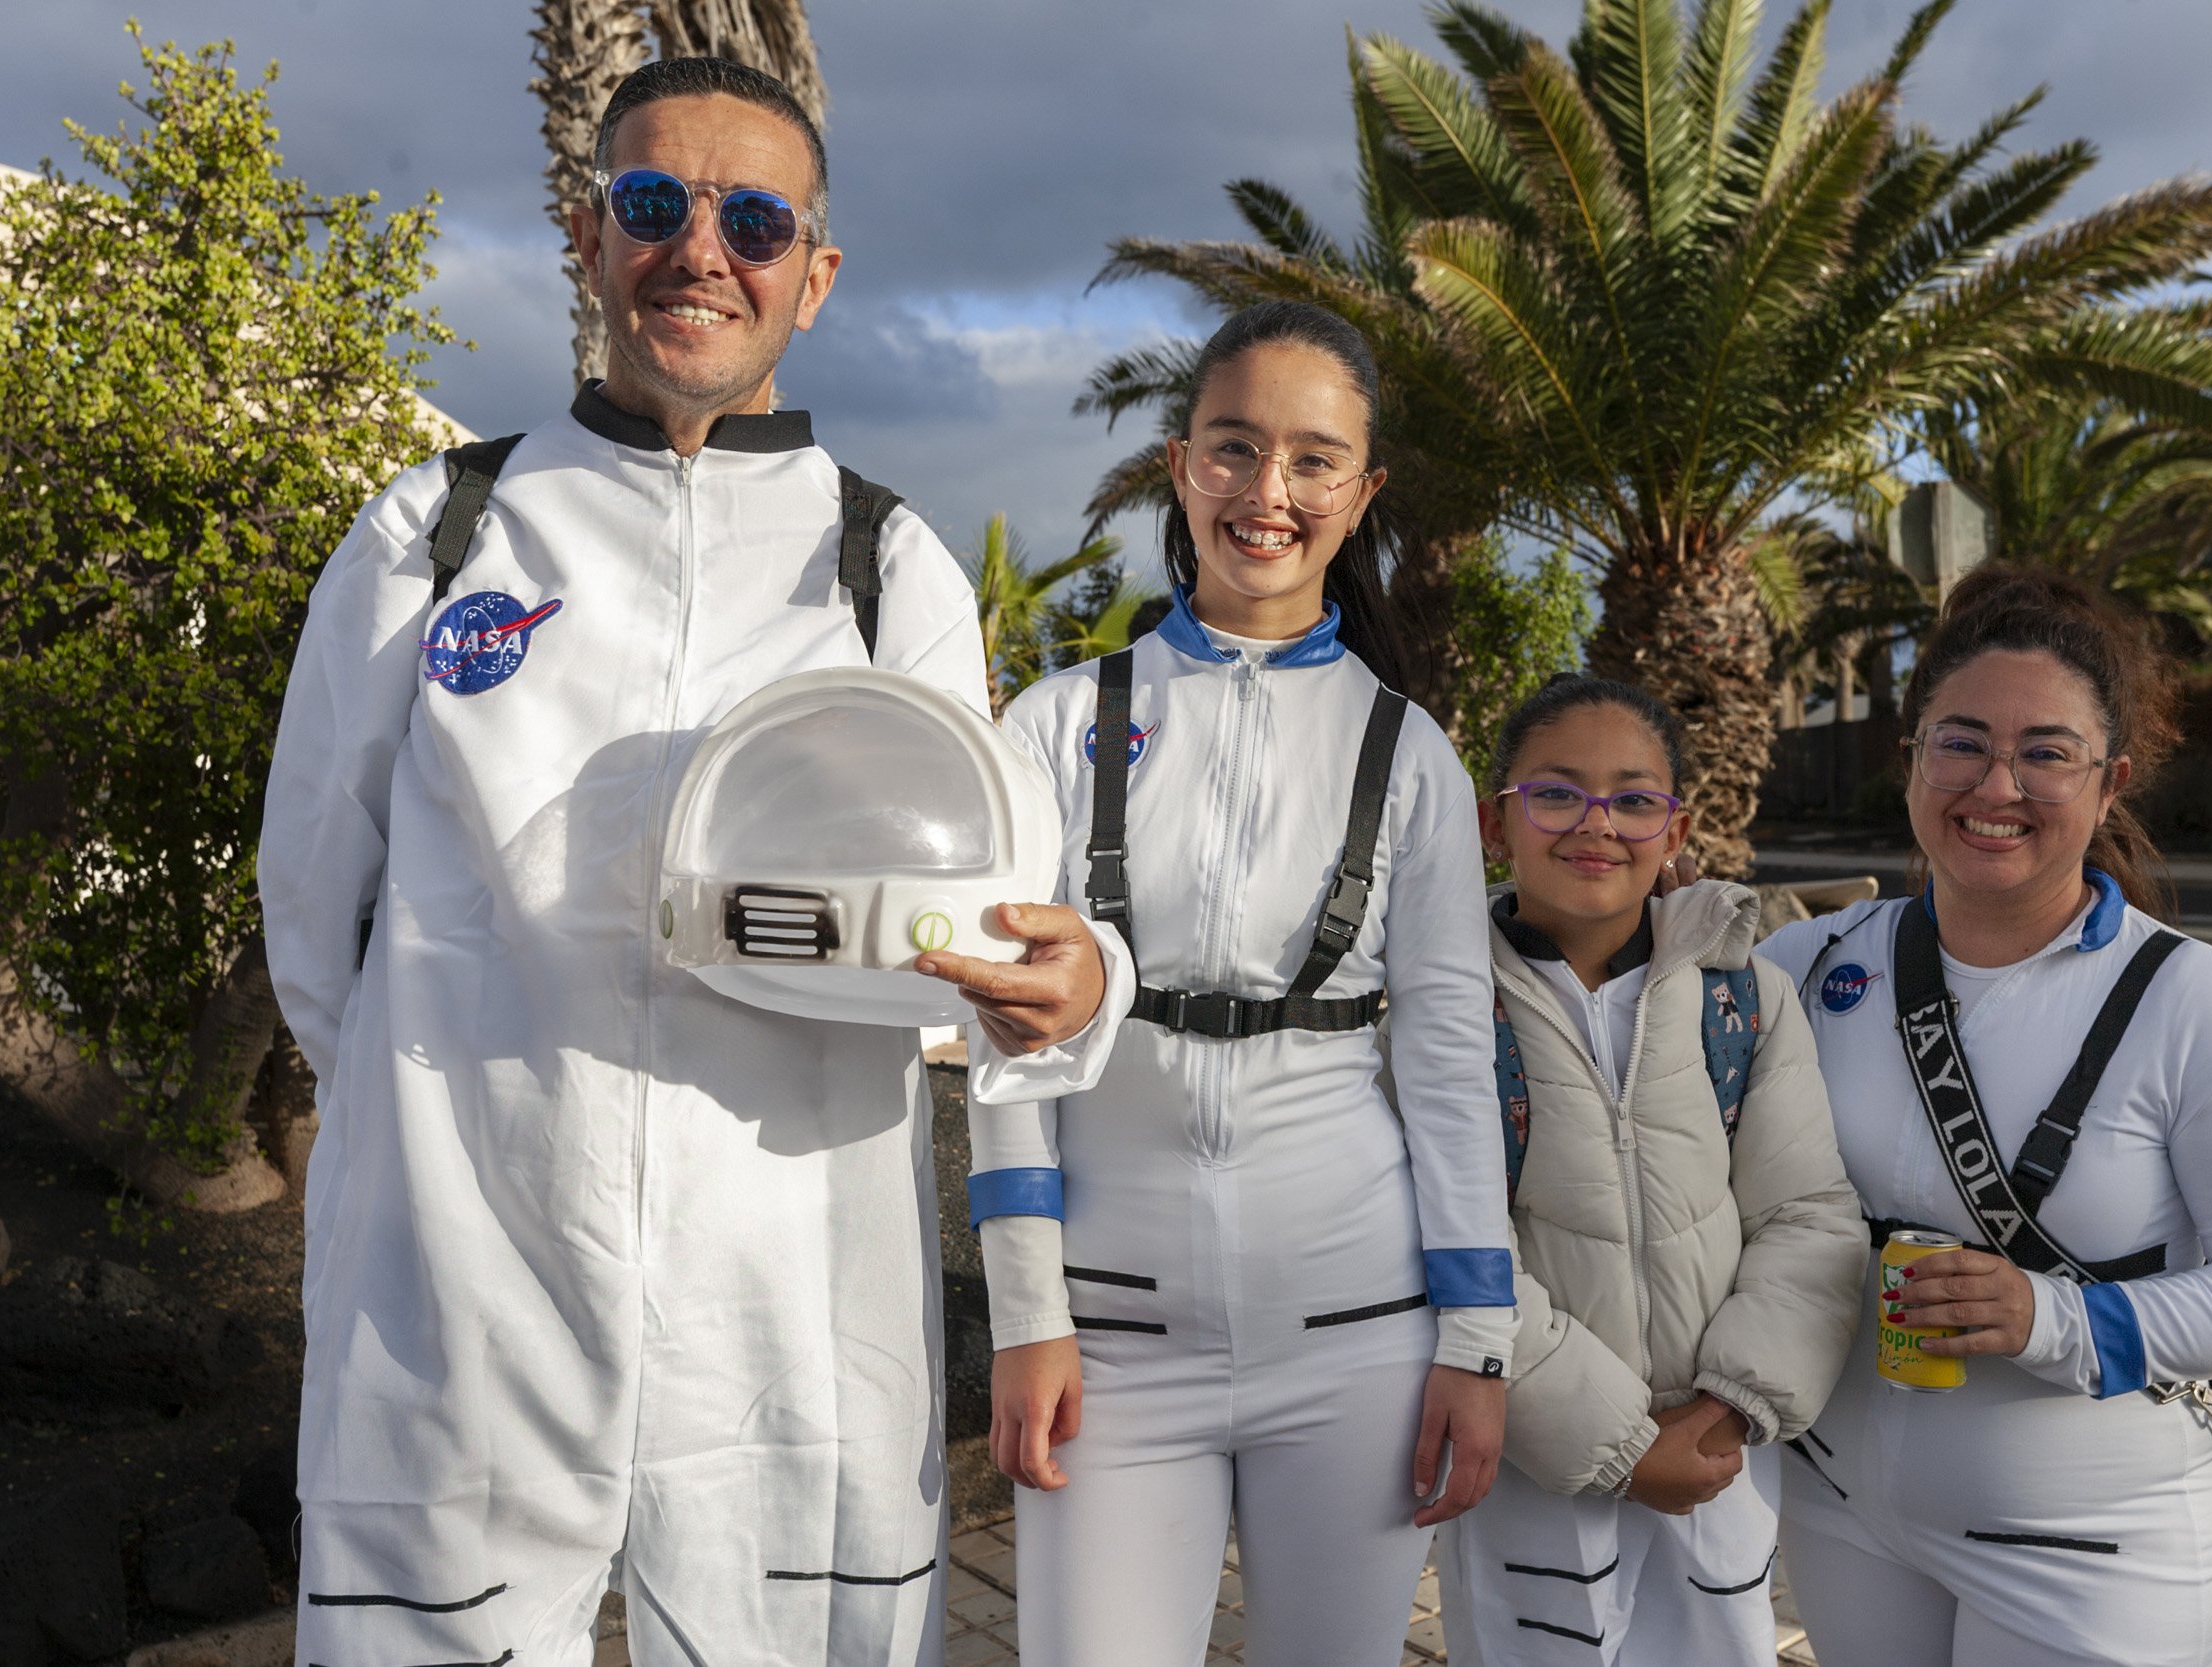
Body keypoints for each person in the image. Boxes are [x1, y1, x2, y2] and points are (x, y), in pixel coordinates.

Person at [261, 59, 1126, 1667]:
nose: (699, 249)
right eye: (654, 204)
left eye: (754, 216)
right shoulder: (439, 532)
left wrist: (1068, 988)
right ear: (591, 233)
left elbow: (1000, 921)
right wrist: (423, 1117)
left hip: (780, 1291)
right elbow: (312, 895)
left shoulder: (884, 566)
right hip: (466, 1278)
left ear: (817, 270)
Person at [960, 300, 1515, 1666]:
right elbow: (1006, 1046)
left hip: (1361, 1340)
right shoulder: (1052, 724)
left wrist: (1479, 1339)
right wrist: (1027, 1314)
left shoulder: (1413, 753)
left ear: (1363, 490)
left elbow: (1447, 1062)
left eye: (1314, 460)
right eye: (1233, 448)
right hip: (1114, 1336)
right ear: (1179, 464)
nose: (1269, 493)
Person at [1755, 569, 2212, 1667]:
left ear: (2109, 779)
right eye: (1962, 742)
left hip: (2091, 1546)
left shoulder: (2192, 1004)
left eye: (2045, 751)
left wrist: (2052, 1320)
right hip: (1840, 1506)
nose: (1997, 783)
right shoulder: (1807, 960)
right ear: (1913, 757)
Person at [1436, 675, 1864, 1665]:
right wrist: (1623, 1445)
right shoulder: (1438, 1006)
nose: (1597, 825)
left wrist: (1721, 1413)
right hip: (1530, 1467)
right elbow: (1449, 1250)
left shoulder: (1744, 1000)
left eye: (1633, 798)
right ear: (1494, 823)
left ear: (1674, 831)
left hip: (1718, 1462)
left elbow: (1808, 1213)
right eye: (1555, 793)